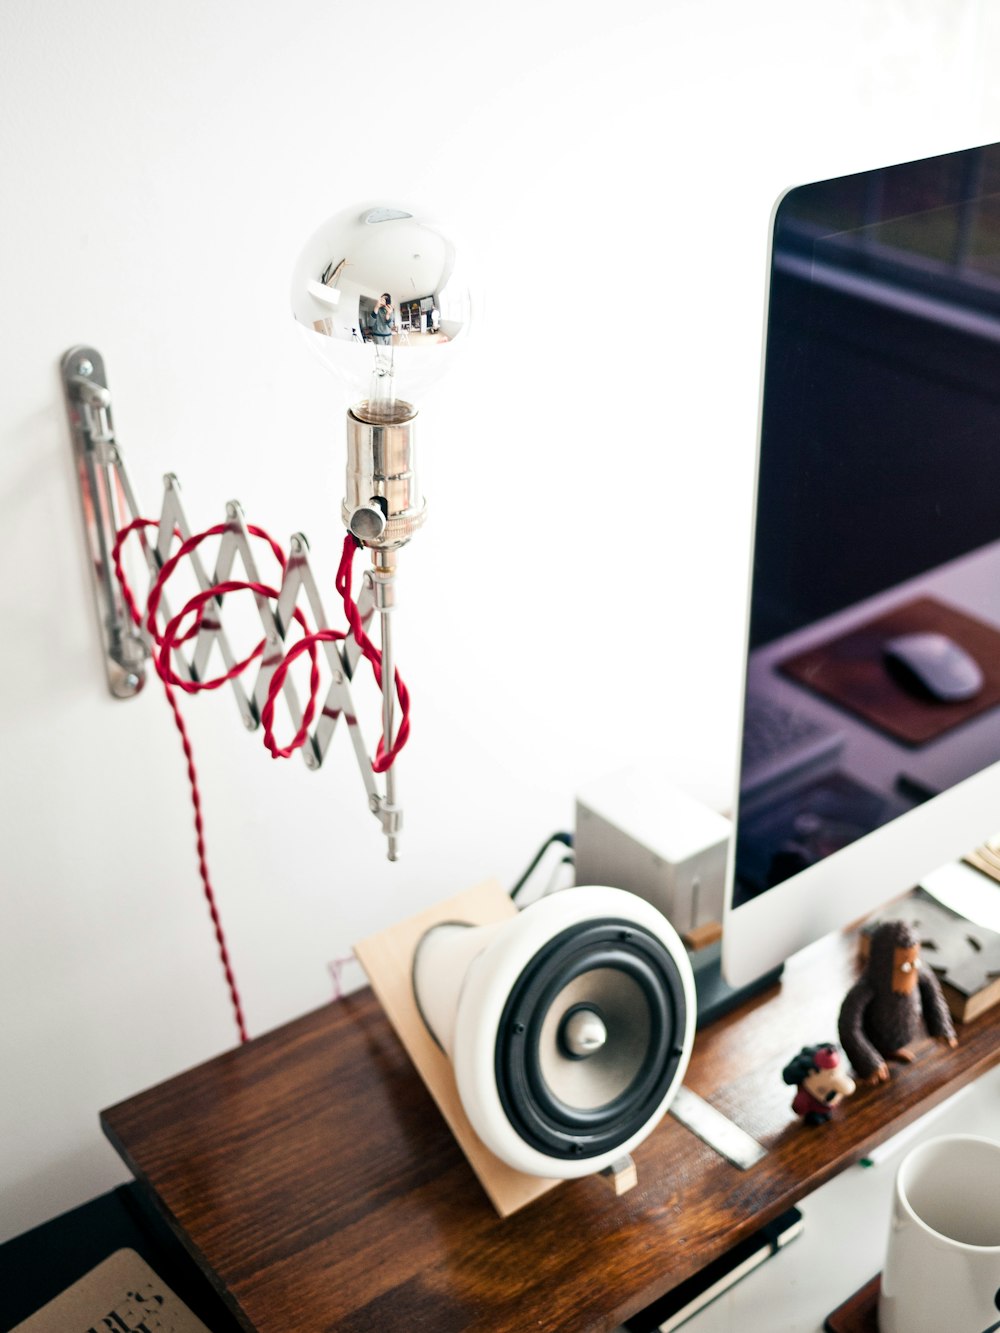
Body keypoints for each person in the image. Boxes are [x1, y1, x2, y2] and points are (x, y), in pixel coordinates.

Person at [370, 293, 395, 375]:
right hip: (378, 336)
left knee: (389, 354)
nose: (383, 300)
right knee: (380, 355)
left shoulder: (390, 310)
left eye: (386, 299)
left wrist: (388, 314)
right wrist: (376, 307)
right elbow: (370, 323)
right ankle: (381, 371)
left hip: (389, 336)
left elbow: (391, 326)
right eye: (382, 298)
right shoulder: (376, 309)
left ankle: (389, 369)